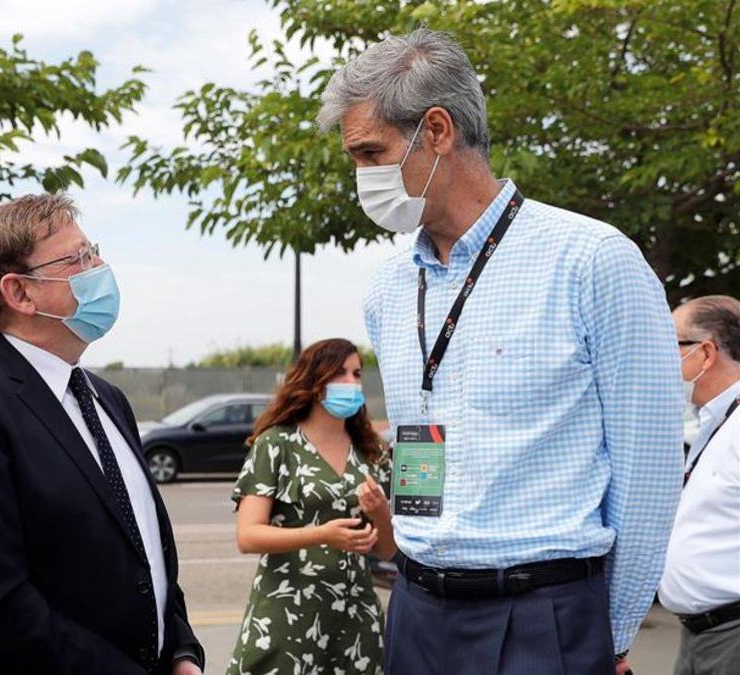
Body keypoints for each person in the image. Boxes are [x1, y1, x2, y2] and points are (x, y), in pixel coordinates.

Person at [317, 29, 684, 675]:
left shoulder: (591, 261)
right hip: (419, 609)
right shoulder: (392, 288)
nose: (361, 178)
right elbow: (422, 437)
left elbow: (648, 468)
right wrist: (415, 552)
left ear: (436, 131)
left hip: (543, 613)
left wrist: (616, 630)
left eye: (370, 153)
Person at [0, 194, 204, 674]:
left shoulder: (108, 399)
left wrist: (182, 652)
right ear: (20, 293)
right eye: (79, 258)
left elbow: (144, 554)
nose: (100, 267)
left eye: (95, 251)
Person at [226, 338, 395, 675]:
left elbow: (389, 550)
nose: (352, 383)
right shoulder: (276, 444)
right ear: (315, 383)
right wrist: (321, 535)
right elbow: (248, 536)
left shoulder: (371, 452)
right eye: (340, 374)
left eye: (357, 374)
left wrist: (378, 512)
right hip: (288, 612)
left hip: (355, 618)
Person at [659, 295, 740, 674]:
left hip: (731, 636)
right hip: (700, 634)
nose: (661, 360)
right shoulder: (715, 419)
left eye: (669, 345)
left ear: (705, 353)